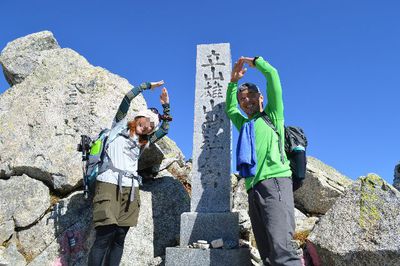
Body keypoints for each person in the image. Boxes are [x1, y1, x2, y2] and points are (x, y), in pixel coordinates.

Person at [225, 56, 301, 265]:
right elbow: (230, 109)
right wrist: (232, 82)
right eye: (243, 99)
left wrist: (257, 62)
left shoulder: (273, 115)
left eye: (251, 95)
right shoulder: (245, 125)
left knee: (282, 248)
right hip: (253, 188)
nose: (246, 100)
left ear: (260, 97)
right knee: (267, 253)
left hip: (275, 182)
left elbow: (273, 76)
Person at [88, 80, 171, 266]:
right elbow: (127, 97)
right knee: (104, 236)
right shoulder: (119, 126)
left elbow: (165, 129)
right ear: (138, 117)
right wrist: (147, 86)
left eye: (152, 126)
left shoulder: (143, 142)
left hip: (131, 189)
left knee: (119, 238)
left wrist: (166, 107)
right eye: (147, 121)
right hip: (108, 183)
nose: (148, 126)